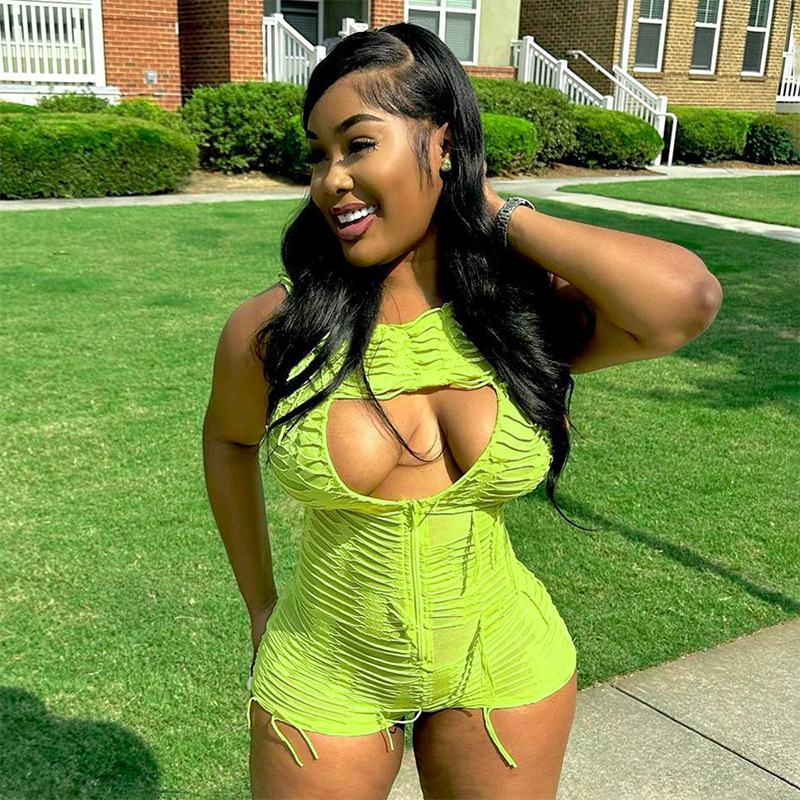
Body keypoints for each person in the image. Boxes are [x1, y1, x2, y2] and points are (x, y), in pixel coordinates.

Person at [202, 22, 722, 800]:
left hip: (506, 662)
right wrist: (259, 604)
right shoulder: (280, 330)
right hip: (326, 666)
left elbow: (685, 300)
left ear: (441, 142)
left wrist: (497, 211)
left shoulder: (514, 317)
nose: (332, 179)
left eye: (358, 144)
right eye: (319, 154)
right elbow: (227, 442)